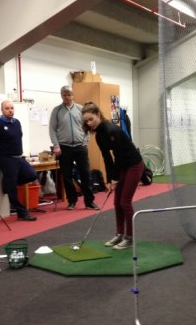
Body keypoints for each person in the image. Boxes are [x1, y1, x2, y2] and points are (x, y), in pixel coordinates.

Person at [82, 102, 144, 250]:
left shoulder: (112, 130)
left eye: (91, 119)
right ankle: (119, 234)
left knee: (125, 202)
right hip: (122, 166)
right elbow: (107, 158)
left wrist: (115, 178)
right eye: (87, 121)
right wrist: (108, 180)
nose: (89, 123)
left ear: (98, 114)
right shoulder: (98, 136)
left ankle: (129, 238)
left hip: (134, 165)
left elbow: (120, 156)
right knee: (117, 202)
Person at [0, 100, 38, 221]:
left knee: (32, 174)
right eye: (7, 108)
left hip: (19, 157)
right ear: (2, 110)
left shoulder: (17, 122)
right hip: (7, 159)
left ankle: (8, 184)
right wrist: (1, 155)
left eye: (11, 108)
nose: (10, 110)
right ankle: (22, 212)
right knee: (12, 189)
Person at [49, 86, 99, 210]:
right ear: (61, 95)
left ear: (73, 95)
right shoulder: (56, 111)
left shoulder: (80, 109)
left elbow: (88, 126)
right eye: (64, 94)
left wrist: (85, 141)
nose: (67, 97)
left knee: (85, 174)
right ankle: (72, 201)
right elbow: (52, 129)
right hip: (64, 147)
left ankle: (89, 201)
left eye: (69, 94)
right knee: (67, 175)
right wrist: (56, 145)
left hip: (80, 146)